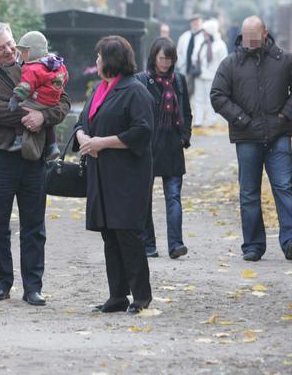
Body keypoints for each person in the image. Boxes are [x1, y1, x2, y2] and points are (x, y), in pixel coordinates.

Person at [0, 22, 71, 306]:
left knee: (33, 224)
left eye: (10, 43)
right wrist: (26, 114)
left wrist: (43, 117)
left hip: (33, 157)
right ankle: (1, 282)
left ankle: (33, 287)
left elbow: (62, 100)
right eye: (0, 48)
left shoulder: (38, 63)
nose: (8, 50)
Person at [210, 15, 292, 262]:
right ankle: (253, 245)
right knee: (249, 194)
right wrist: (242, 119)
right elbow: (217, 95)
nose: (250, 40)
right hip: (247, 138)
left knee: (283, 188)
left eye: (255, 35)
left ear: (265, 32)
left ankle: (290, 241)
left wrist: (286, 115)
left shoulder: (284, 60)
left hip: (278, 135)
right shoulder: (230, 64)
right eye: (246, 36)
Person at [74, 35, 154, 314]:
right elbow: (81, 122)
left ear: (111, 60)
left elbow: (142, 131)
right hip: (101, 174)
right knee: (110, 234)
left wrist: (102, 142)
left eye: (99, 56)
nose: (95, 61)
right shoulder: (100, 89)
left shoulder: (135, 90)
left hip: (127, 176)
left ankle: (141, 296)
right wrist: (84, 137)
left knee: (127, 234)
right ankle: (117, 295)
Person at [136, 38, 193, 259]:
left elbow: (186, 111)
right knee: (144, 198)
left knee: (173, 197)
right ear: (154, 57)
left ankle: (176, 244)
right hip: (148, 145)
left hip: (172, 145)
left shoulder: (178, 80)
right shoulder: (142, 80)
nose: (165, 63)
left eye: (169, 58)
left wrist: (185, 136)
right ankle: (149, 245)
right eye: (162, 58)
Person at [8, 31, 68, 161]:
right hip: (52, 101)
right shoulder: (56, 64)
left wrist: (15, 98)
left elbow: (26, 87)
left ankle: (18, 140)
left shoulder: (32, 68)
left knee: (21, 108)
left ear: (32, 51)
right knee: (48, 124)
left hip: (38, 99)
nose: (21, 55)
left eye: (23, 51)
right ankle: (52, 146)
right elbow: (65, 78)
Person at [192, 19, 228, 127]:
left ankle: (211, 120)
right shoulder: (200, 41)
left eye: (205, 31)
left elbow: (224, 61)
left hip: (213, 76)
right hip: (200, 75)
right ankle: (198, 121)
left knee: (211, 99)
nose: (203, 33)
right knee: (198, 98)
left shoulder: (220, 44)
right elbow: (194, 55)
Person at [176, 14, 205, 96]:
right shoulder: (184, 36)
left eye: (197, 21)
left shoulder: (204, 37)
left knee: (197, 95)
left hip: (198, 72)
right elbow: (179, 52)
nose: (195, 23)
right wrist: (180, 64)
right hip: (185, 70)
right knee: (184, 93)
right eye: (193, 21)